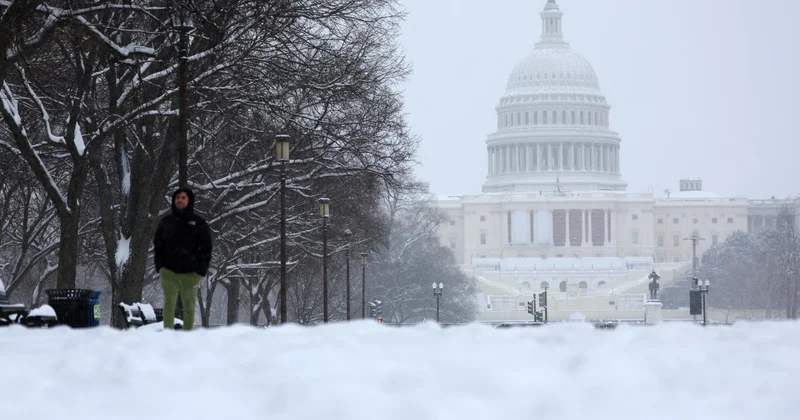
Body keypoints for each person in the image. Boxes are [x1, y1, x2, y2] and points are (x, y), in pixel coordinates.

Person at [153, 188, 212, 330]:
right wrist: (160, 267)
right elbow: (158, 245)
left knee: (189, 306)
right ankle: (168, 335)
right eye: (177, 197)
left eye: (183, 197)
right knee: (169, 304)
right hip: (169, 271)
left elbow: (206, 248)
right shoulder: (166, 222)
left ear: (189, 200)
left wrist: (201, 271)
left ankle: (188, 338)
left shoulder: (199, 223)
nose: (179, 200)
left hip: (191, 273)